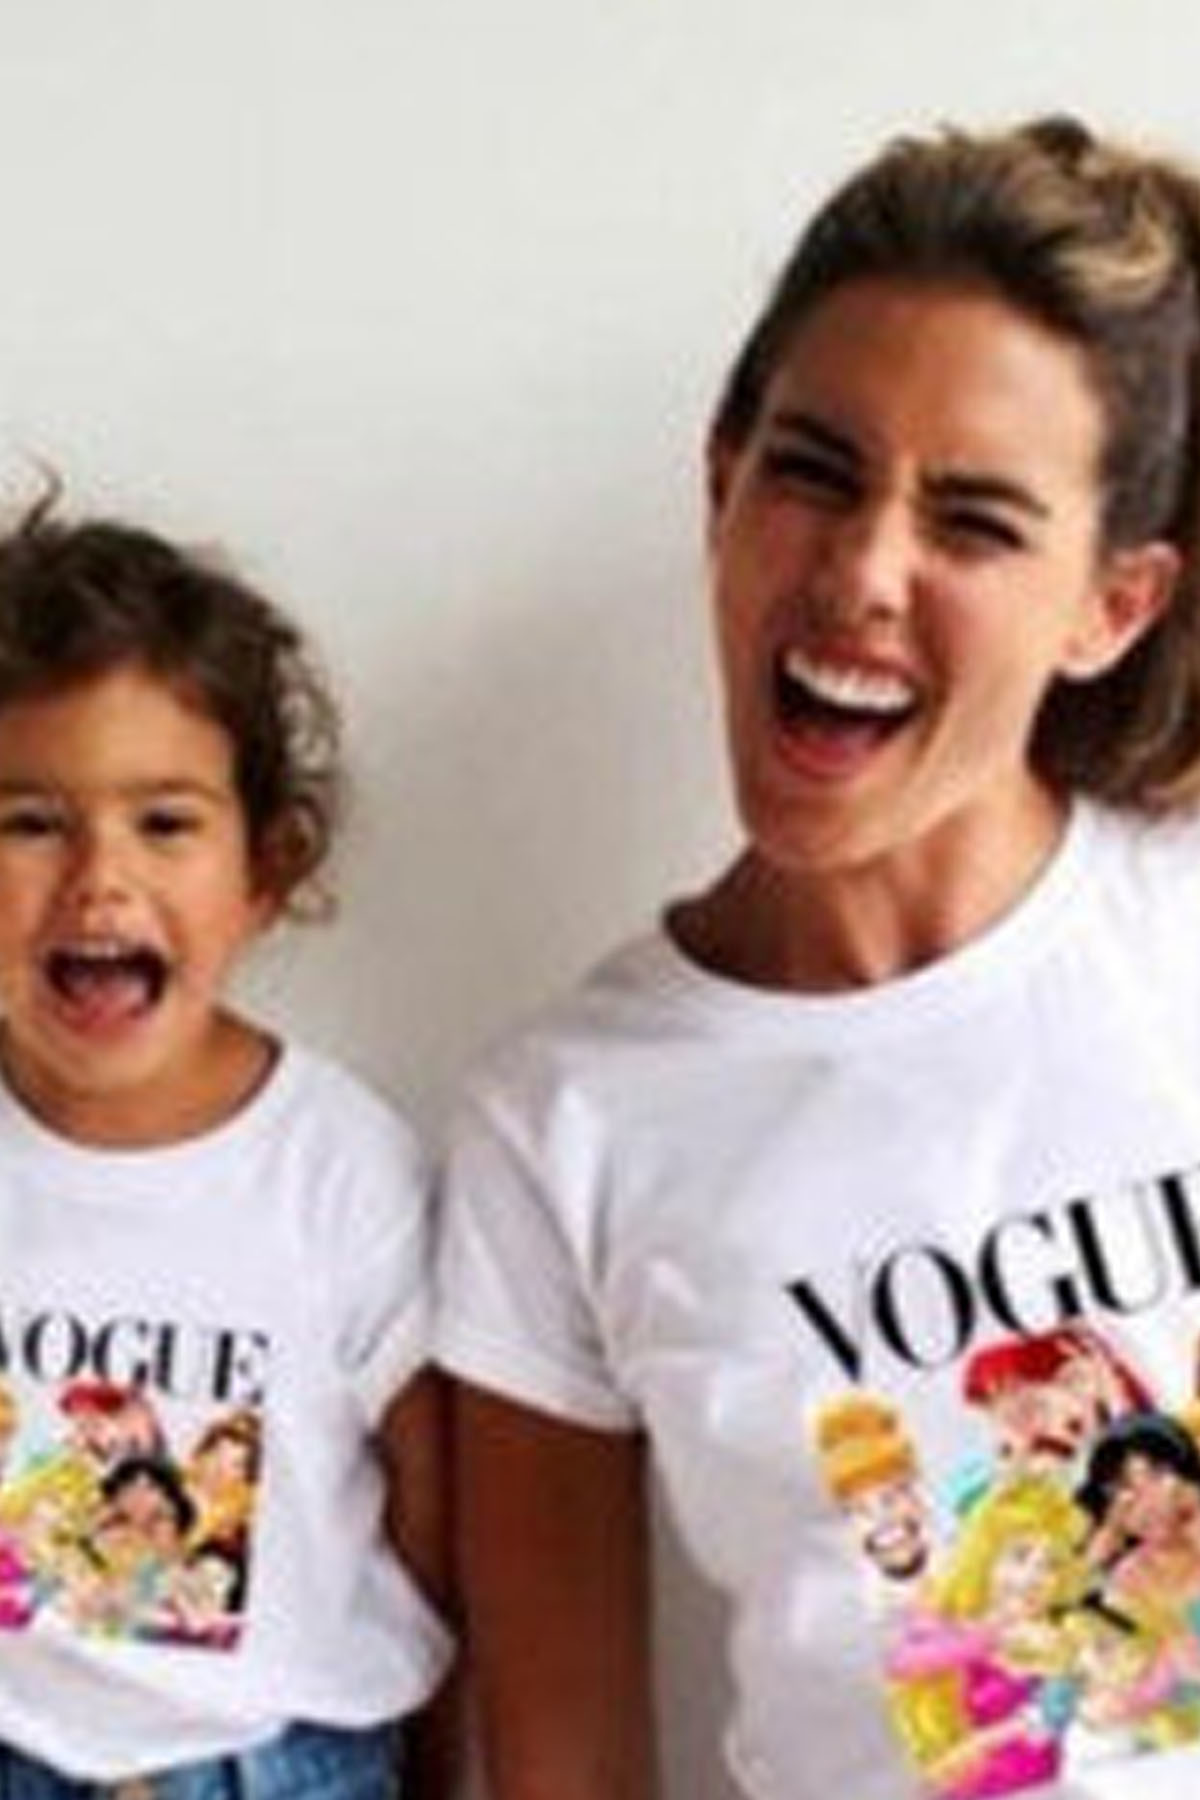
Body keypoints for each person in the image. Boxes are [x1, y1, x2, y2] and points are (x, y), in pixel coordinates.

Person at [435, 114, 1200, 1800]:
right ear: (722, 485)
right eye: (815, 472)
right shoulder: (555, 1127)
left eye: (975, 523)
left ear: (1112, 606)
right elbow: (566, 1770)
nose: (863, 573)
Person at [0, 503, 453, 1794]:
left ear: (267, 870)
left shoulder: (339, 1171)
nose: (99, 880)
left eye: (165, 823)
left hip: (273, 1767)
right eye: (30, 822)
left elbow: (440, 1536)